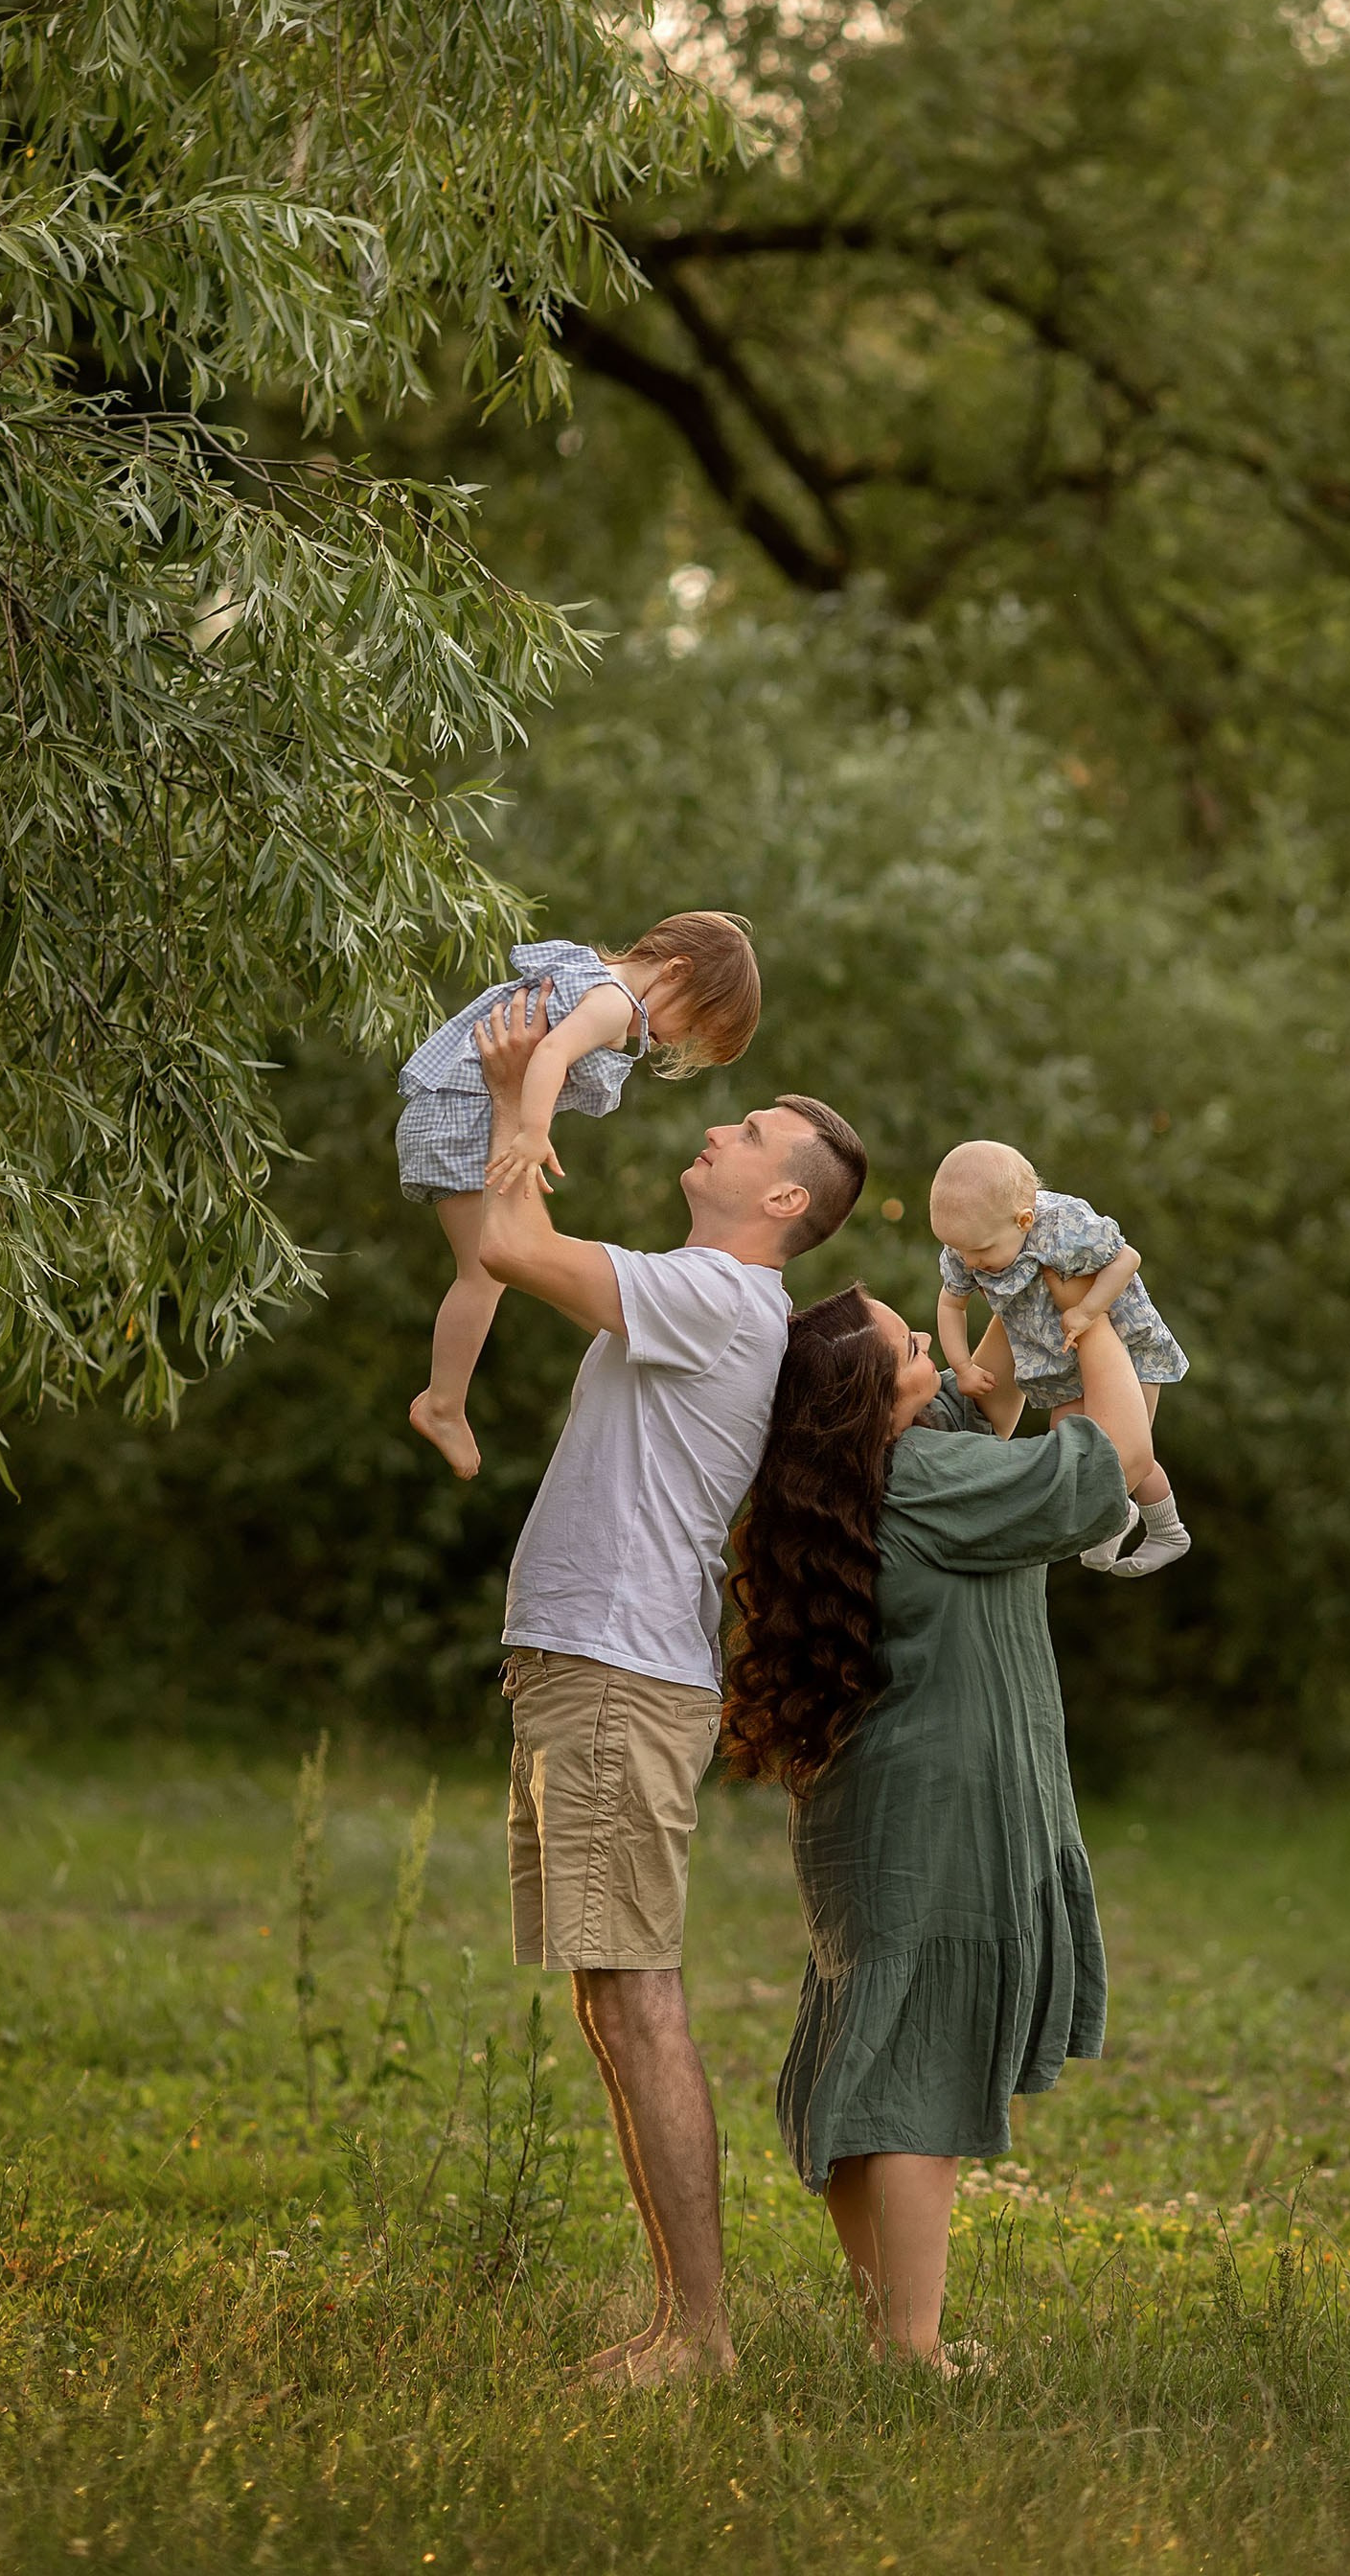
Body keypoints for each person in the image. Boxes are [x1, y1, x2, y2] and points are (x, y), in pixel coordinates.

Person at [470, 986, 865, 2386]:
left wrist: (523, 1091)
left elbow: (510, 1243)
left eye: (746, 1129)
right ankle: (679, 2325)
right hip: (591, 1665)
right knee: (610, 1992)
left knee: (637, 1996)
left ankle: (699, 2336)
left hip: (618, 1674)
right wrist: (505, 1109)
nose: (717, 1128)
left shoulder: (714, 1297)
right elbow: (501, 1243)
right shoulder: (703, 1297)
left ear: (781, 1197)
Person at [722, 1278, 1156, 2369]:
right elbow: (1110, 1466)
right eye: (911, 1346)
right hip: (942, 1809)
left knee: (872, 2053)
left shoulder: (861, 1467)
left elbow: (991, 1387)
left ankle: (891, 2334)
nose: (931, 1343)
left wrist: (1018, 1265)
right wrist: (1093, 1317)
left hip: (873, 1806)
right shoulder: (924, 1477)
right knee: (921, 2075)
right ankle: (911, 2350)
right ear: (873, 1403)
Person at [398, 910, 761, 1479]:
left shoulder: (596, 978)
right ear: (675, 972)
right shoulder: (613, 1001)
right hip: (461, 1119)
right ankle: (443, 1403)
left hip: (450, 1112)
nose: (677, 1040)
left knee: (500, 1266)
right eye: (691, 1025)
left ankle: (454, 1396)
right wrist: (532, 1132)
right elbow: (549, 1054)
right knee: (486, 1271)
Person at [930, 1138, 1191, 1577]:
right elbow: (951, 1304)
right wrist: (964, 1367)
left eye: (981, 1251)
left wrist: (1088, 1311)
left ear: (1024, 1220)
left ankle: (1167, 1530)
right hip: (1058, 1357)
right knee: (1072, 1448)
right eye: (961, 1251)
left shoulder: (1065, 1227)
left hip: (1125, 1344)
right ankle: (1113, 1516)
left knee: (1128, 1451)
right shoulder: (969, 1244)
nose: (971, 1262)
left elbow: (1127, 1259)